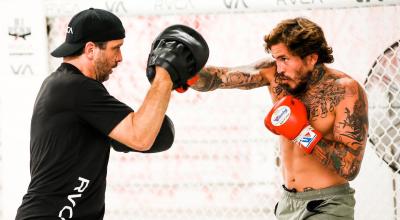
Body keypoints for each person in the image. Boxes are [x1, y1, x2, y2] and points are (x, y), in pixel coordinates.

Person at [15, 8, 208, 220]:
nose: (120, 58)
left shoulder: (66, 86)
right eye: (116, 48)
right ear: (90, 50)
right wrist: (164, 75)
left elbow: (147, 135)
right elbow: (140, 137)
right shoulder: (75, 88)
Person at [191, 17, 368, 219]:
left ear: (311, 58)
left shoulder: (344, 91)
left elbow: (349, 167)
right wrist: (185, 73)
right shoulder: (276, 75)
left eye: (285, 59)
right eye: (276, 59)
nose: (279, 67)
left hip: (328, 205)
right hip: (287, 204)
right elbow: (220, 77)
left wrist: (303, 133)